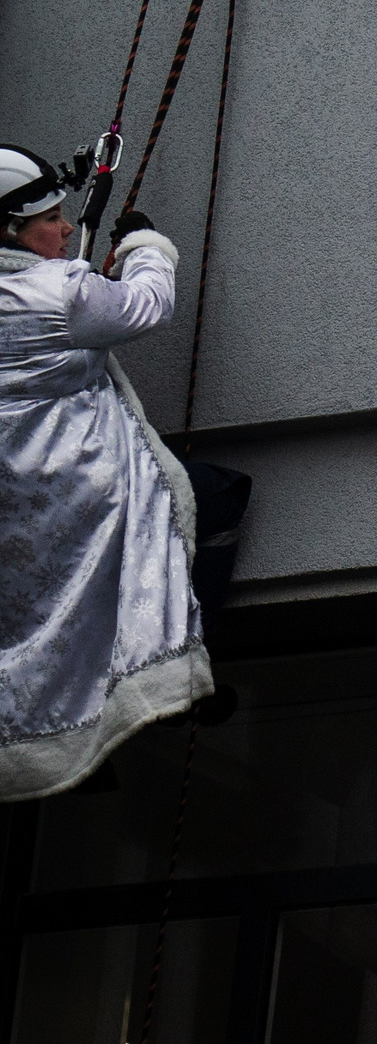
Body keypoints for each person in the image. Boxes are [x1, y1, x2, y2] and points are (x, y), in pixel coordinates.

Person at [0, 144, 211, 800]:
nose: (63, 230)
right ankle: (169, 683)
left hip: (22, 499)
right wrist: (147, 245)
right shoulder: (56, 292)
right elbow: (146, 304)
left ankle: (51, 745)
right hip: (89, 481)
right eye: (49, 220)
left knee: (46, 626)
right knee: (173, 547)